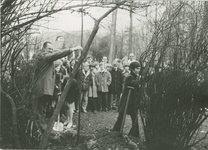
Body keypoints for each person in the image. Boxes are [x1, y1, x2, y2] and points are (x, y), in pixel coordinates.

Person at [33, 41, 82, 122]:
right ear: (44, 48)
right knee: (39, 112)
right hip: (42, 88)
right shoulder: (45, 56)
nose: (51, 51)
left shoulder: (44, 54)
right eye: (49, 49)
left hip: (43, 88)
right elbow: (57, 54)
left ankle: (40, 127)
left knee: (41, 111)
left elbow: (56, 51)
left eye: (52, 49)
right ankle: (38, 130)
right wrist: (74, 49)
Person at [112, 61, 141, 137]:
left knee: (134, 117)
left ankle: (135, 133)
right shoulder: (129, 77)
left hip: (132, 100)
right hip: (127, 99)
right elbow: (135, 85)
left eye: (139, 68)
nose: (139, 70)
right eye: (137, 68)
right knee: (122, 115)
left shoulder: (135, 76)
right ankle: (116, 130)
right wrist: (141, 81)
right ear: (132, 69)